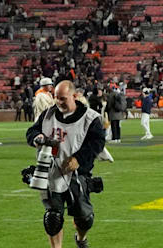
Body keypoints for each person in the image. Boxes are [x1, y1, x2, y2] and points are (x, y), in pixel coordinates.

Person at [26, 80, 105, 248]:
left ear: (74, 96)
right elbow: (32, 131)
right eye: (56, 98)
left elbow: (97, 143)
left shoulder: (90, 118)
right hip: (51, 173)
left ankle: (81, 238)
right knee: (52, 218)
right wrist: (36, 137)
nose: (58, 102)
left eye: (62, 98)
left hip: (77, 174)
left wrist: (79, 159)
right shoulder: (47, 115)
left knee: (84, 219)